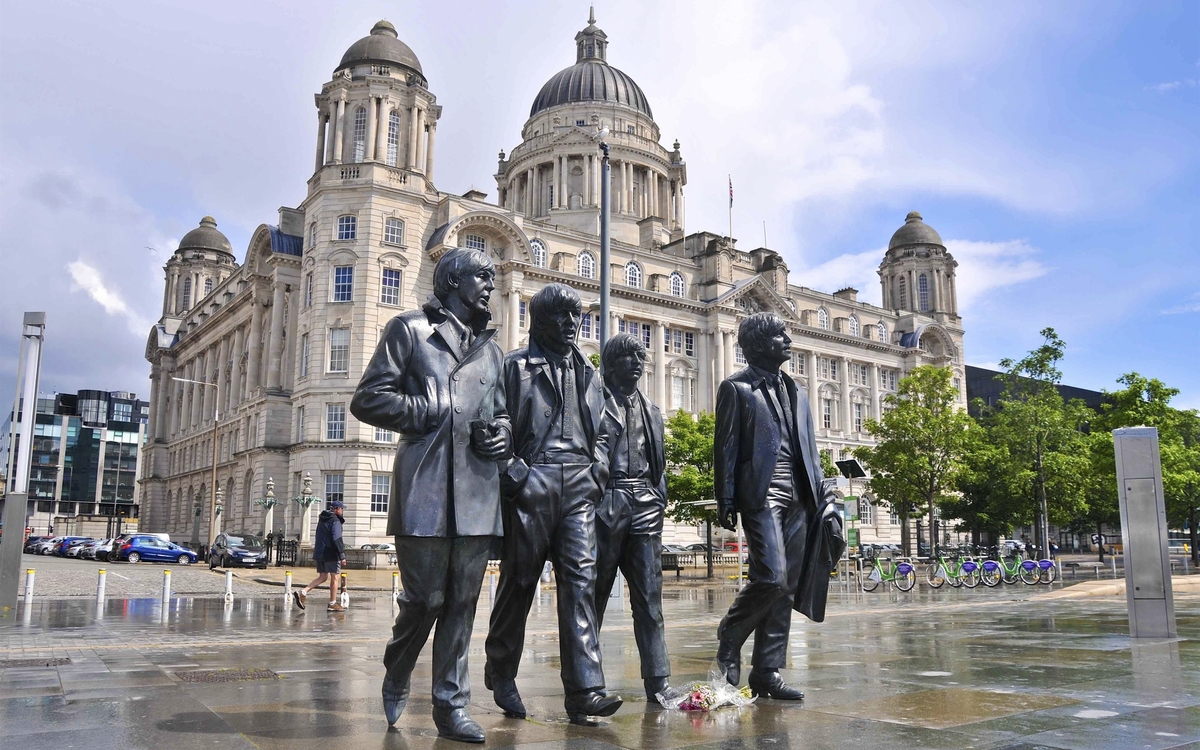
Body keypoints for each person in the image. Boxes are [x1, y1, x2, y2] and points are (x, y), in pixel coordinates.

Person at [350, 247, 511, 744]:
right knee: (425, 600)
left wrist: (502, 435)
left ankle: (451, 704)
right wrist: (423, 408)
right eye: (482, 276)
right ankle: (398, 663)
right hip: (425, 485)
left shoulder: (491, 350)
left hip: (478, 491)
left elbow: (501, 412)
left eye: (492, 278)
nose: (490, 286)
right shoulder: (410, 330)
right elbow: (367, 398)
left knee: (462, 602)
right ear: (453, 281)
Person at [484, 282, 622, 726]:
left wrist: (597, 470)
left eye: (576, 315)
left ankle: (584, 691)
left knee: (581, 584)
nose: (571, 323)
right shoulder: (515, 366)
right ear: (539, 320)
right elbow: (493, 422)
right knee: (520, 581)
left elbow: (605, 430)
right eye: (561, 315)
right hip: (534, 480)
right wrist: (515, 474)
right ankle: (501, 669)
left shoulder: (590, 373)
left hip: (580, 484)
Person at [714, 313, 837, 701]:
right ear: (758, 343)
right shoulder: (737, 388)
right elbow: (725, 446)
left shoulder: (797, 390)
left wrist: (824, 494)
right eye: (779, 335)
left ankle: (767, 671)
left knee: (787, 588)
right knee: (771, 577)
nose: (788, 339)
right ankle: (731, 633)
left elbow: (810, 448)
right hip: (761, 491)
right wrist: (726, 498)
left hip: (801, 493)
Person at [594, 333, 670, 700]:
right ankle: (587, 684)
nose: (637, 363)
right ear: (610, 364)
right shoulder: (592, 402)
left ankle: (658, 681)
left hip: (645, 504)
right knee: (592, 598)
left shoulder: (652, 410)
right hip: (606, 500)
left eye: (640, 357)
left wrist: (658, 497)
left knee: (649, 600)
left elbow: (659, 463)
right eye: (628, 357)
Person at [294, 500, 347, 612]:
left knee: (323, 577)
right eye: (341, 509)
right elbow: (336, 538)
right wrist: (341, 555)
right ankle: (332, 603)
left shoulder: (322, 519)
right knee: (335, 577)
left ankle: (303, 592)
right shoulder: (335, 520)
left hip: (320, 552)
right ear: (337, 509)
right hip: (331, 552)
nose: (342, 511)